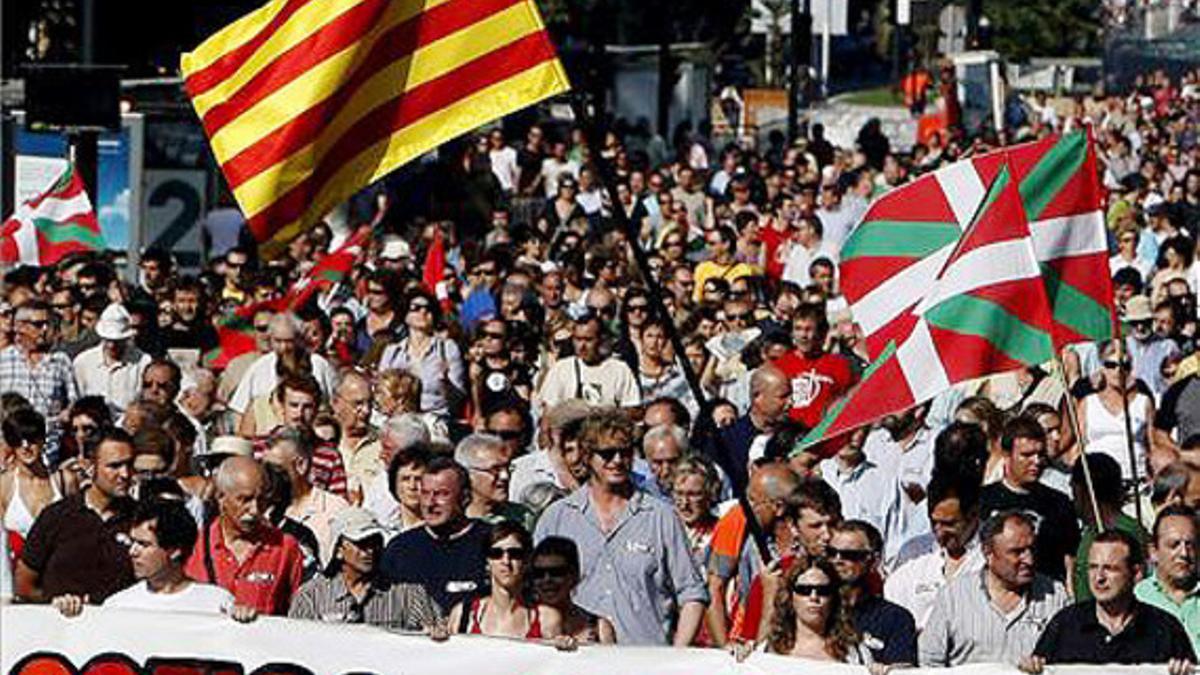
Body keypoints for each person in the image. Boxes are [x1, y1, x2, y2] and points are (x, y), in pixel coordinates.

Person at [534, 407, 707, 645]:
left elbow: (691, 593)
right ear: (586, 456)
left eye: (625, 452)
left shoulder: (661, 516)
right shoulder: (557, 517)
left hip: (646, 660)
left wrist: (676, 657)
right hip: (577, 660)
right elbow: (533, 590)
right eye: (607, 453)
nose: (617, 460)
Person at [918, 510, 1070, 667]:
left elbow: (1071, 659)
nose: (1029, 560)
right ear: (988, 553)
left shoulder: (1055, 595)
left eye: (1031, 549)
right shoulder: (953, 597)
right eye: (1017, 552)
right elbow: (928, 661)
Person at [1029, 530, 1195, 672]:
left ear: (1136, 574)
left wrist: (1182, 671)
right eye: (1093, 567)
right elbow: (1037, 667)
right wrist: (1030, 668)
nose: (1099, 577)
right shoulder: (1065, 625)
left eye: (1110, 568)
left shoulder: (1165, 630)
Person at [54, 498, 244, 617]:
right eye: (133, 542)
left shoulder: (217, 603)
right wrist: (68, 611)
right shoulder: (117, 606)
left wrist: (246, 617)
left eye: (144, 545)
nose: (132, 551)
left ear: (174, 550)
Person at [15, 428, 135, 604]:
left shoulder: (141, 519)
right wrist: (55, 603)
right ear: (90, 466)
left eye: (129, 464)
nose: (125, 474)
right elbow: (24, 585)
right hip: (60, 629)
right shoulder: (56, 517)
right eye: (114, 466)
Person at [184, 456, 306, 615]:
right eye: (245, 500)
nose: (255, 510)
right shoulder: (193, 546)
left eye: (262, 499)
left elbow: (297, 613)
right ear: (221, 497)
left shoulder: (285, 548)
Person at [288, 507, 443, 630]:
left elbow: (436, 637)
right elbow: (297, 643)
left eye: (375, 542)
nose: (370, 550)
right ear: (339, 550)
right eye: (361, 543)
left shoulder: (408, 596)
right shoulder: (311, 597)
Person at [381, 455, 491, 612]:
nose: (430, 503)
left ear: (465, 498)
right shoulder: (400, 549)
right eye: (425, 493)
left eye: (441, 494)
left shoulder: (492, 543)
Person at [978, 416, 1080, 582]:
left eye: (1040, 454)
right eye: (1027, 455)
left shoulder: (1059, 502)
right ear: (1007, 455)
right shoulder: (984, 500)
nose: (1036, 461)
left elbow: (1070, 561)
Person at [739, 557, 873, 665]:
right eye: (804, 590)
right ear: (790, 597)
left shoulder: (855, 653)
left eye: (823, 591)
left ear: (834, 598)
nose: (813, 597)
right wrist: (737, 657)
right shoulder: (766, 649)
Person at [446, 520, 562, 641]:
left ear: (527, 561)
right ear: (487, 562)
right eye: (496, 553)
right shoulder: (463, 615)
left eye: (515, 553)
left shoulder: (547, 620)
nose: (506, 561)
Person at [826, 521, 917, 665]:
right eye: (831, 553)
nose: (837, 560)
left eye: (849, 555)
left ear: (873, 561)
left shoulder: (894, 619)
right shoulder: (813, 609)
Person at [0, 301, 77, 461]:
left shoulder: (60, 361)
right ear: (19, 326)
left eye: (47, 324)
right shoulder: (3, 360)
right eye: (38, 324)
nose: (44, 330)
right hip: (9, 452)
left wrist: (63, 417)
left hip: (49, 452)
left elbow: (73, 402)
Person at [261, 427, 349, 566]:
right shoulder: (263, 511)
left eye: (275, 470)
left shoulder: (335, 510)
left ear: (301, 465)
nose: (267, 478)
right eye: (264, 469)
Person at [228, 312, 339, 423]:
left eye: (289, 341)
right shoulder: (259, 368)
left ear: (299, 339)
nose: (284, 347)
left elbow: (336, 405)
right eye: (278, 341)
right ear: (271, 339)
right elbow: (239, 411)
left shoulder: (319, 365)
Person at [1080, 339, 1160, 483]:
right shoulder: (1087, 403)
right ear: (1102, 367)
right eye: (1111, 365)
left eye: (1125, 365)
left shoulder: (1144, 402)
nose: (1118, 370)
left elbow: (1153, 445)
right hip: (1098, 481)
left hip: (1136, 479)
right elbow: (1079, 446)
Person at [819, 427, 902, 564]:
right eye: (841, 428)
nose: (848, 437)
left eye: (855, 430)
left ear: (866, 431)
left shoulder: (884, 480)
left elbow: (894, 534)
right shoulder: (819, 475)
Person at [378, 290, 466, 418]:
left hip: (435, 417)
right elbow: (381, 391)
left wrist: (446, 383)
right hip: (398, 419)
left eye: (428, 309)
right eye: (416, 308)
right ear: (405, 315)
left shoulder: (447, 348)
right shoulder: (392, 352)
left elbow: (458, 398)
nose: (423, 312)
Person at [534, 313, 640, 411]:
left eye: (588, 340)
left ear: (600, 339)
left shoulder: (619, 370)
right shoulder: (561, 369)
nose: (582, 346)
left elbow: (632, 409)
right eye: (578, 339)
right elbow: (549, 413)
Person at [772, 304, 854, 429]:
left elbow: (848, 402)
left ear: (821, 332)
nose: (803, 335)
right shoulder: (779, 366)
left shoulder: (839, 366)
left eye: (808, 329)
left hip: (825, 433)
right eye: (798, 329)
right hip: (790, 434)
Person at [1134, 505, 1200, 655]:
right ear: (1153, 552)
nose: (1184, 553)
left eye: (1190, 545)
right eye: (1174, 545)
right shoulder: (1136, 599)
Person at [0, 408, 64, 555]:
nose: (26, 446)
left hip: (58, 570)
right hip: (17, 571)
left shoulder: (63, 481)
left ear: (43, 439)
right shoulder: (4, 484)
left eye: (32, 439)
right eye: (17, 440)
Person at [531, 536, 616, 643]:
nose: (547, 580)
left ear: (574, 575)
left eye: (556, 573)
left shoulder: (599, 627)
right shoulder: (524, 620)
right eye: (539, 574)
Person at [71, 303, 151, 416]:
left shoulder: (143, 362)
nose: (111, 346)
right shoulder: (83, 362)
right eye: (108, 340)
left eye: (117, 341)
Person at [455, 433, 535, 530]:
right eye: (495, 469)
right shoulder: (452, 518)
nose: (505, 476)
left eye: (508, 467)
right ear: (468, 473)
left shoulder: (523, 517)